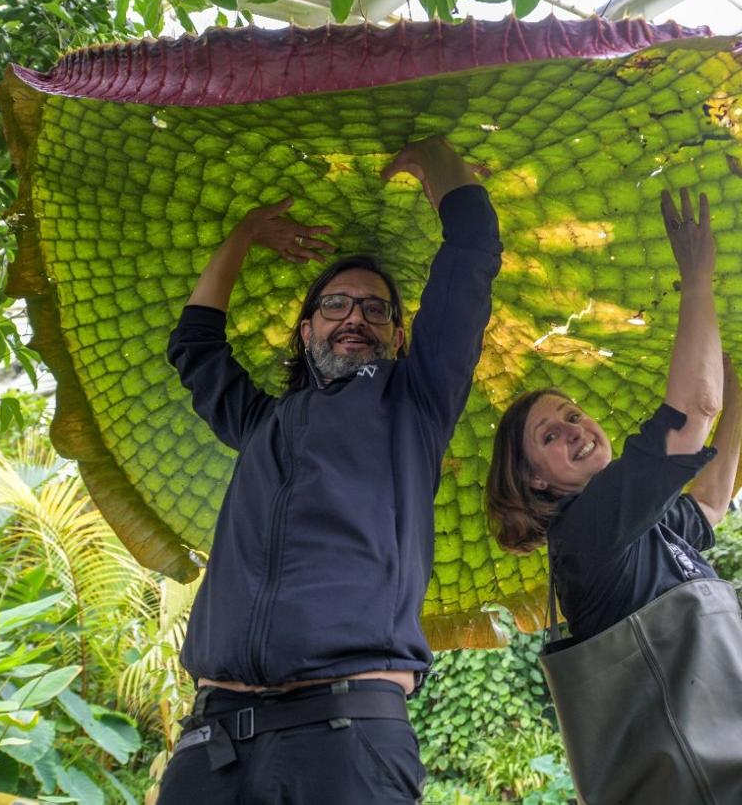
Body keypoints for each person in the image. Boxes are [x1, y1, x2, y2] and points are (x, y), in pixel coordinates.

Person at [159, 136, 501, 804]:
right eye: (336, 305)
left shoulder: (416, 403)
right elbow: (194, 343)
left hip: (345, 737)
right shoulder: (260, 424)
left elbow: (471, 253)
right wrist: (247, 231)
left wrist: (437, 161)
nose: (356, 317)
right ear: (306, 329)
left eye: (377, 309)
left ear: (399, 338)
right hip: (213, 743)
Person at [485, 189, 742, 804]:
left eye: (574, 414)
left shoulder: (640, 527)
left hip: (741, 780)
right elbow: (690, 415)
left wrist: (737, 399)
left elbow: (708, 504)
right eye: (551, 435)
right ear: (537, 483)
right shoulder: (587, 531)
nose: (577, 429)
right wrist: (698, 278)